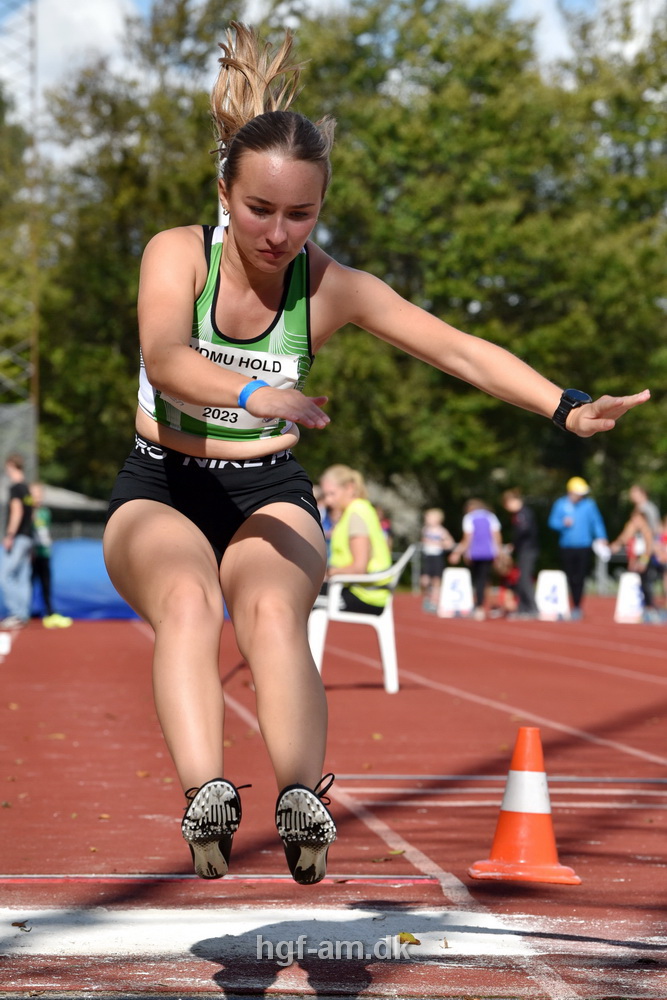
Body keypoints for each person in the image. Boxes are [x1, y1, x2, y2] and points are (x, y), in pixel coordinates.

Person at [101, 22, 648, 885]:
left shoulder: (331, 287)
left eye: (300, 215)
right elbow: (167, 359)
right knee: (186, 599)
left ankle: (299, 799)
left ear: (321, 208)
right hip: (162, 485)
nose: (278, 234)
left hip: (266, 488)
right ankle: (206, 791)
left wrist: (564, 406)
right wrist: (252, 394)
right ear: (222, 192)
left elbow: (457, 347)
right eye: (259, 211)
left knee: (276, 613)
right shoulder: (177, 255)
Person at [318, 465, 392, 614]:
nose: (328, 501)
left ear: (350, 488)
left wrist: (329, 573)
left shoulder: (356, 513)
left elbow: (359, 568)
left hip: (366, 594)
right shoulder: (358, 510)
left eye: (332, 494)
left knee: (295, 596)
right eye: (325, 495)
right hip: (361, 590)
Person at [547, 477, 608, 619]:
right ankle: (566, 604)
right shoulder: (560, 504)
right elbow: (552, 522)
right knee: (569, 577)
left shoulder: (589, 505)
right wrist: (562, 523)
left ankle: (577, 606)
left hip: (584, 546)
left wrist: (601, 537)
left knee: (580, 577)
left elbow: (597, 522)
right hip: (566, 546)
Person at [449, 500, 503, 620]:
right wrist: (498, 551)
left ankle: (479, 607)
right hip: (489, 552)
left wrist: (458, 553)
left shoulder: (469, 518)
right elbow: (496, 535)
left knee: (478, 580)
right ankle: (489, 605)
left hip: (475, 552)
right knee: (486, 579)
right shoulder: (491, 516)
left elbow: (468, 537)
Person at [30, 483, 73, 629]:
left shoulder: (45, 512)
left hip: (45, 553)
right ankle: (27, 610)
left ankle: (49, 610)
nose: (38, 498)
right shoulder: (28, 512)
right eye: (35, 494)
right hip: (32, 554)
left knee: (46, 583)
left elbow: (45, 531)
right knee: (29, 583)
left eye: (40, 495)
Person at [1, 454, 34, 629]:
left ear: (12, 466)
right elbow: (32, 514)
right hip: (28, 537)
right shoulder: (27, 489)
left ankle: (16, 613)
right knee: (22, 577)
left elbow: (17, 511)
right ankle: (23, 613)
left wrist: (10, 535)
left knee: (4, 575)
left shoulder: (16, 488)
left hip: (19, 537)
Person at [609, 507, 657, 618]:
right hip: (635, 558)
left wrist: (643, 561)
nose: (634, 521)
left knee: (646, 583)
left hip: (645, 558)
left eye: (637, 519)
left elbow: (649, 547)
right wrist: (616, 545)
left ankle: (649, 607)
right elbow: (624, 537)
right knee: (635, 582)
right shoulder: (632, 528)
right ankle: (637, 607)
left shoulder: (646, 530)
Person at [501, 488, 539, 617]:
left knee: (524, 578)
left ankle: (531, 607)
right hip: (524, 549)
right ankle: (523, 607)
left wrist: (514, 544)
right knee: (521, 578)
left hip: (528, 549)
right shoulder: (520, 514)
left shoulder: (523, 513)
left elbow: (524, 531)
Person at [419, 507, 455, 613]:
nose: (426, 519)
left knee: (436, 580)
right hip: (427, 557)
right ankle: (427, 597)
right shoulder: (425, 529)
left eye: (429, 517)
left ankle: (434, 602)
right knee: (424, 580)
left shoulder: (442, 531)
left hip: (437, 557)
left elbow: (450, 544)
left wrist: (439, 543)